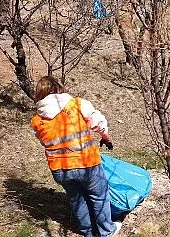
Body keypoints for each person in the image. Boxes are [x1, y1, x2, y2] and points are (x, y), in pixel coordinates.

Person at [31, 76, 121, 237]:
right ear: (59, 88)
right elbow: (98, 122)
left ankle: (88, 232)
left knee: (77, 200)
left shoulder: (37, 120)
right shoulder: (77, 104)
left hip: (60, 169)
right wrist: (106, 137)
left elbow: (44, 141)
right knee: (99, 196)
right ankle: (107, 231)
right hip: (86, 163)